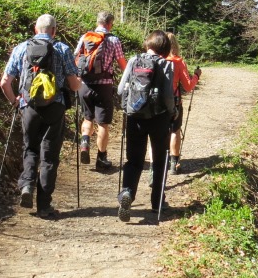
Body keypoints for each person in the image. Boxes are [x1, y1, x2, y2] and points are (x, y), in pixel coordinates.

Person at [0, 14, 81, 218]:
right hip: (55, 107)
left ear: (36, 29)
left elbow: (4, 83)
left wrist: (15, 101)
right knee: (50, 156)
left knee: (30, 148)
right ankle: (44, 206)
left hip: (29, 107)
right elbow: (73, 83)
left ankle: (26, 185)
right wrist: (79, 86)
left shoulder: (21, 48)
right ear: (54, 30)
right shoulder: (62, 49)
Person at [115, 30, 176, 222]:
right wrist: (173, 111)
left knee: (134, 161)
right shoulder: (166, 64)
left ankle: (127, 193)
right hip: (159, 118)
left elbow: (119, 89)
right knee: (159, 161)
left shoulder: (134, 61)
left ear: (147, 44)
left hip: (134, 116)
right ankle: (157, 203)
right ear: (164, 47)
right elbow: (167, 96)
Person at [73, 11, 127, 170]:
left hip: (84, 85)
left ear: (98, 22)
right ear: (110, 24)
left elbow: (75, 57)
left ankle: (84, 143)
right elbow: (122, 64)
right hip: (103, 86)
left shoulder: (85, 37)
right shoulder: (114, 40)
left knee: (87, 118)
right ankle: (101, 159)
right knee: (103, 123)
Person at [166, 31, 201, 174]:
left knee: (158, 132)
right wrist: (197, 76)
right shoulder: (178, 62)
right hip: (174, 101)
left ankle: (158, 163)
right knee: (175, 131)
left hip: (155, 102)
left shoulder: (154, 60)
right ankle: (174, 163)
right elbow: (188, 86)